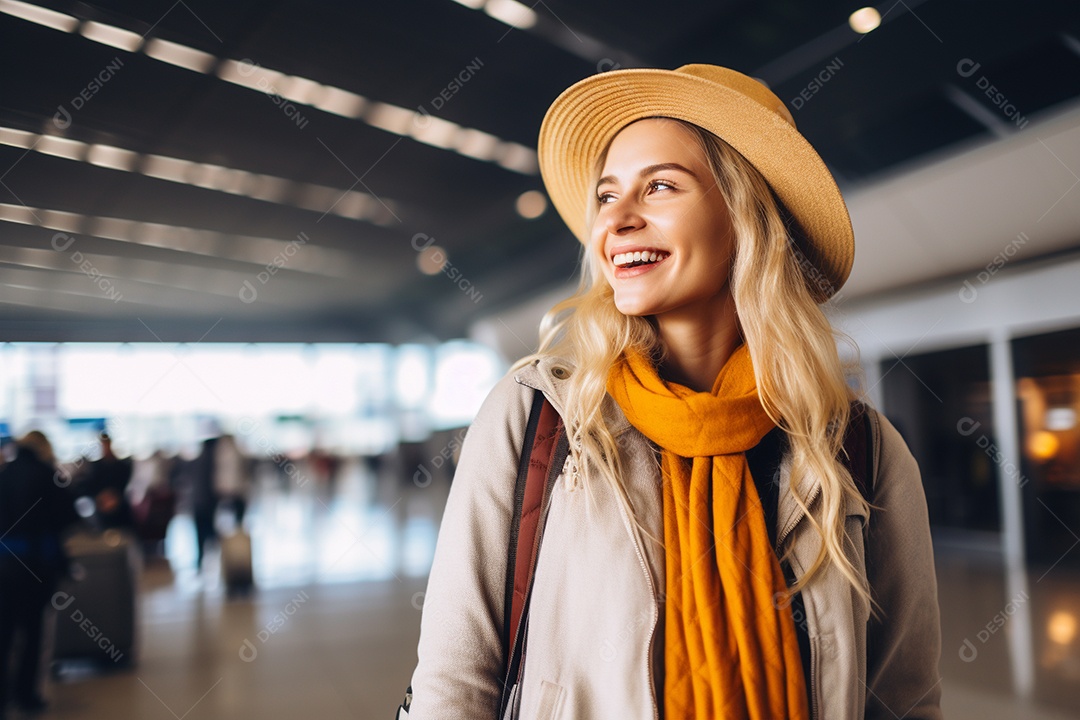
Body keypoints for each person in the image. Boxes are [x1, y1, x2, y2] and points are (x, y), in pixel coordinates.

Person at [405, 64, 942, 719]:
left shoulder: (863, 451)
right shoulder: (538, 417)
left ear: (745, 218)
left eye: (660, 186)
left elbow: (905, 701)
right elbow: (452, 685)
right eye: (607, 195)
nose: (618, 220)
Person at [0, 431, 79, 718]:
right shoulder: (47, 475)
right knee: (33, 632)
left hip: (3, 565)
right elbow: (68, 517)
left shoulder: (4, 474)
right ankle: (27, 694)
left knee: (4, 632)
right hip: (35, 566)